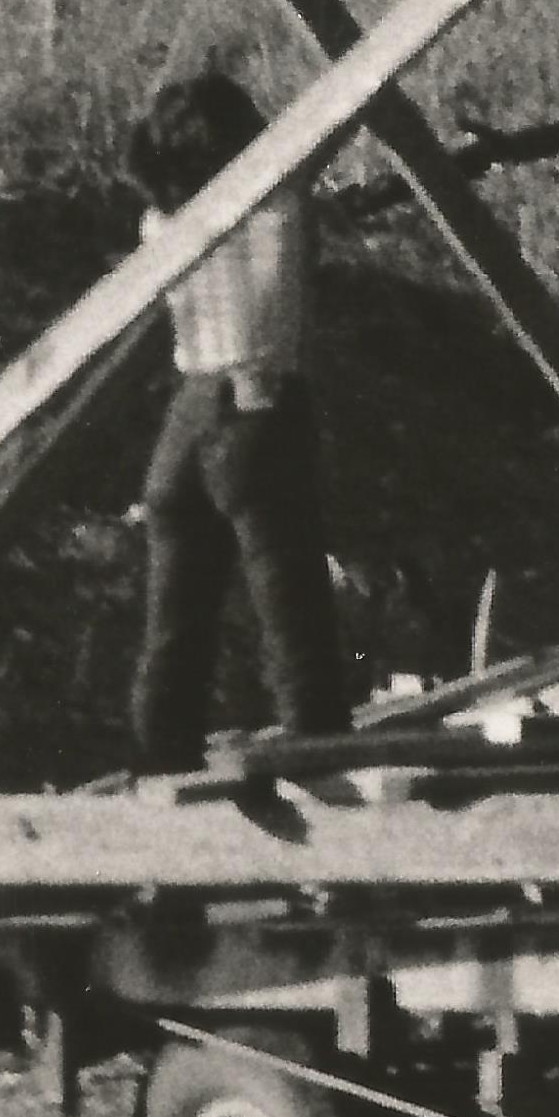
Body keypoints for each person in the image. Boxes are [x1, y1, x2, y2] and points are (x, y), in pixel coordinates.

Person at [124, 72, 350, 774]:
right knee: (295, 620)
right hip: (257, 407)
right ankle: (331, 795)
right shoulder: (277, 203)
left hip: (186, 417)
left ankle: (161, 783)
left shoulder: (160, 222)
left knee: (174, 632)